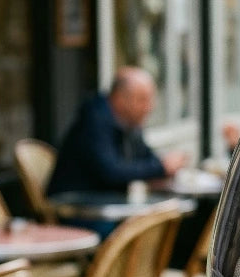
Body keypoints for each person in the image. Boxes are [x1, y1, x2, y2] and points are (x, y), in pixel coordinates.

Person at [48, 66, 188, 196]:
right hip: (79, 207)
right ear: (120, 99)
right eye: (142, 100)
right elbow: (111, 172)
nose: (149, 107)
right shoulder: (95, 121)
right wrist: (161, 167)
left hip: (107, 204)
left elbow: (145, 157)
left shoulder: (128, 123)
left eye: (150, 100)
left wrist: (165, 166)